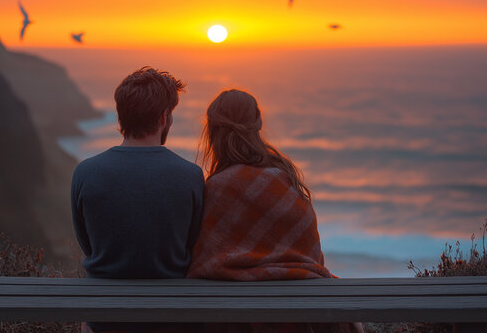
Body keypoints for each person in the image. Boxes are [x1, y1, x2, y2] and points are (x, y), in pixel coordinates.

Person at [187, 89, 364, 333]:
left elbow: (205, 259)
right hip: (297, 304)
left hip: (235, 315)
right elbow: (309, 252)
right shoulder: (284, 178)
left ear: (212, 131)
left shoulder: (217, 187)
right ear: (258, 121)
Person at [71, 67, 205, 333]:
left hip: (105, 319)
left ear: (122, 115)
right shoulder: (190, 176)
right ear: (164, 117)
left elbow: (88, 245)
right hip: (172, 320)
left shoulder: (85, 172)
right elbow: (191, 245)